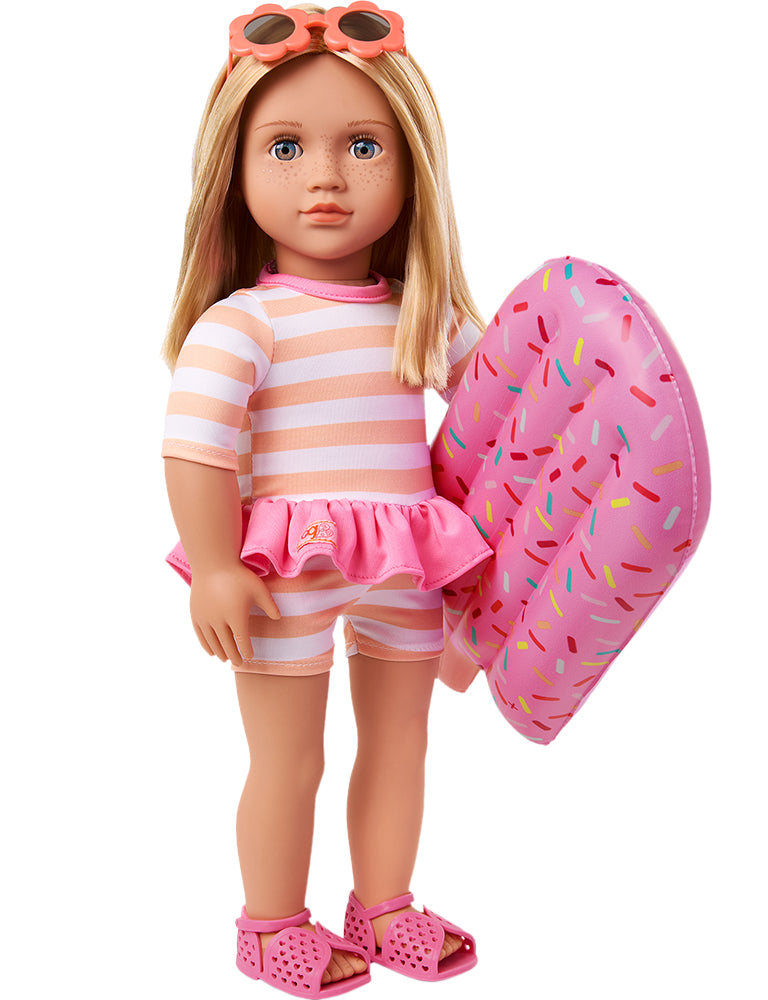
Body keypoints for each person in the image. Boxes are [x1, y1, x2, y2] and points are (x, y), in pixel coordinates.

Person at [161, 4, 486, 993]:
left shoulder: (422, 314)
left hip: (407, 559)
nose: (326, 177)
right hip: (285, 566)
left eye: (363, 146)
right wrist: (213, 565)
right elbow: (194, 447)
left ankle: (383, 904)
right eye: (287, 146)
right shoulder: (243, 324)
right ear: (234, 169)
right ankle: (269, 926)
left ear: (413, 164)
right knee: (288, 756)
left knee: (400, 741)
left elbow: (502, 399)